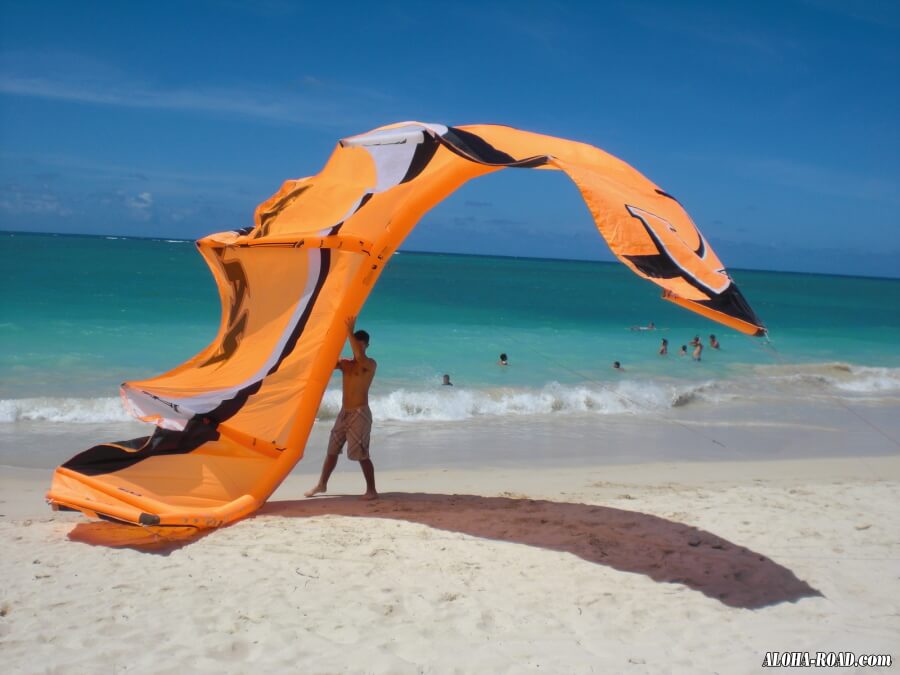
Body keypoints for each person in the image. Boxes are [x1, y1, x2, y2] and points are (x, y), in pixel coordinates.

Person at [305, 316, 378, 500]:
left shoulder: (369, 364)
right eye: (356, 343)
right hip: (344, 413)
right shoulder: (346, 364)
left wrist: (348, 332)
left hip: (360, 413)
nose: (358, 347)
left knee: (361, 454)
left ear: (366, 345)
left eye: (361, 344)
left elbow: (360, 356)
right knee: (332, 450)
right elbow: (325, 361)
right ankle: (322, 484)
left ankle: (372, 490)